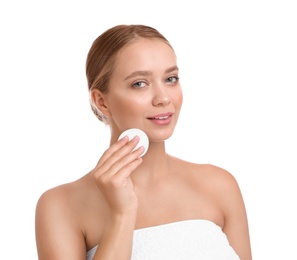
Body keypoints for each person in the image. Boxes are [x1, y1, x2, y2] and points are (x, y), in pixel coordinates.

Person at [35, 24, 252, 260]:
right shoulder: (60, 207)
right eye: (139, 83)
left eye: (171, 79)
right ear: (101, 101)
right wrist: (122, 213)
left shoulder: (219, 186)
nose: (163, 98)